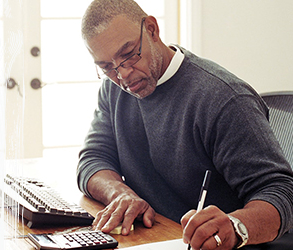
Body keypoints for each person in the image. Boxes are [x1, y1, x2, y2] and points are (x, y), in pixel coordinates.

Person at [77, 0, 293, 249]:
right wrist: (119, 194)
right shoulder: (114, 89)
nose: (123, 75)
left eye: (128, 55)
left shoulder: (223, 99)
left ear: (151, 29)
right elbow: (93, 159)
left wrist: (235, 226)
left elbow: (282, 192)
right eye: (107, 67)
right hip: (155, 238)